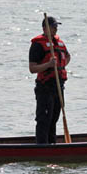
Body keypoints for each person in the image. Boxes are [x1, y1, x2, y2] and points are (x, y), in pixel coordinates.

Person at [29, 16, 71, 144]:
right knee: (44, 120)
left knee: (54, 119)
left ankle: (53, 145)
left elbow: (68, 57)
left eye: (56, 27)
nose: (55, 29)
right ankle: (42, 146)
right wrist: (48, 65)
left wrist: (60, 65)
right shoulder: (37, 45)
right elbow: (32, 68)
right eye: (53, 27)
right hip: (44, 87)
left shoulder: (59, 43)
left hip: (58, 86)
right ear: (45, 28)